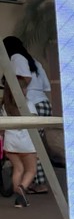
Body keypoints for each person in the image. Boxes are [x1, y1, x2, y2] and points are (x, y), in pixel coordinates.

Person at [1, 37, 38, 208]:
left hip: (10, 142)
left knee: (18, 169)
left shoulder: (4, 105)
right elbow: (36, 121)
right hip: (27, 142)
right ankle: (22, 191)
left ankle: (19, 198)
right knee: (31, 170)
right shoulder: (28, 104)